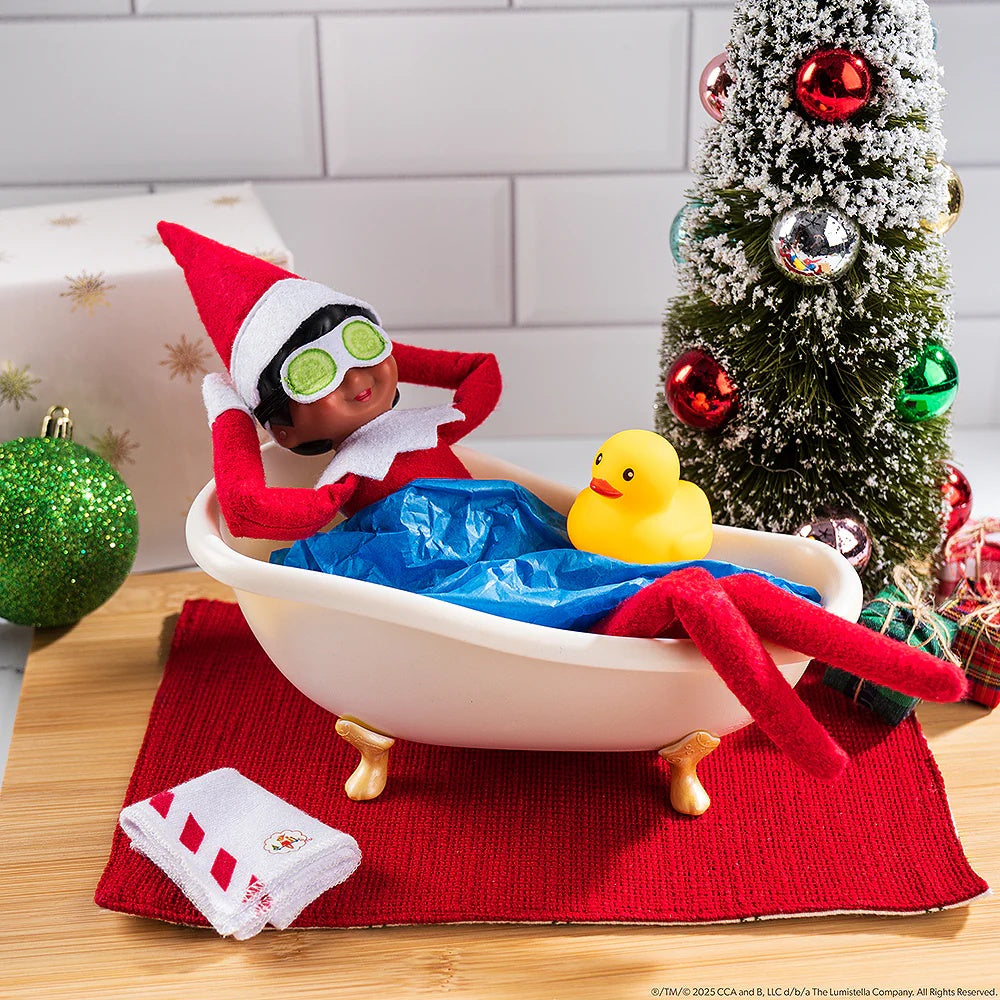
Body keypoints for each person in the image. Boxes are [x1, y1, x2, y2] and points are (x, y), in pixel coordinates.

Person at [158, 221, 502, 540]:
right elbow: (245, 510)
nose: (354, 377)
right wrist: (231, 415)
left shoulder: (427, 429)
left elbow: (481, 371)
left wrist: (381, 355)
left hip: (500, 530)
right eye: (313, 373)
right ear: (284, 429)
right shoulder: (350, 475)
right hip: (428, 581)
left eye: (360, 340)